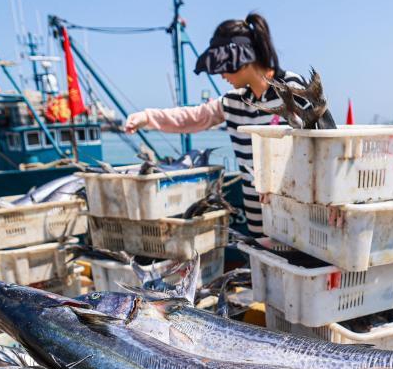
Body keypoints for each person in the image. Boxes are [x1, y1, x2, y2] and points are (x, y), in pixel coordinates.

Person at [125, 13, 334, 235]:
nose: (221, 74)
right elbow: (193, 117)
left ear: (239, 58)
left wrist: (334, 202)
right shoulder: (233, 101)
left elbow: (325, 143)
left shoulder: (292, 87)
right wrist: (146, 117)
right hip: (257, 221)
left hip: (299, 220)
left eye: (223, 66)